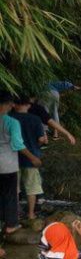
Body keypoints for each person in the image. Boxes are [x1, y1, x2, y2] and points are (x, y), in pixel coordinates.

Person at [0, 92, 41, 235]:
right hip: (7, 165)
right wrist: (33, 157)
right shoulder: (11, 122)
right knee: (10, 194)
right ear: (7, 104)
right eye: (10, 103)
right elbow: (17, 144)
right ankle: (11, 225)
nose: (12, 105)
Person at [10, 96, 47, 220]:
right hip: (32, 158)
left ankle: (15, 213)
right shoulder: (35, 119)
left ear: (14, 105)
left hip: (12, 158)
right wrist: (36, 147)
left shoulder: (9, 118)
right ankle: (31, 214)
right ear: (29, 105)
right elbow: (42, 139)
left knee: (14, 187)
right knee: (32, 187)